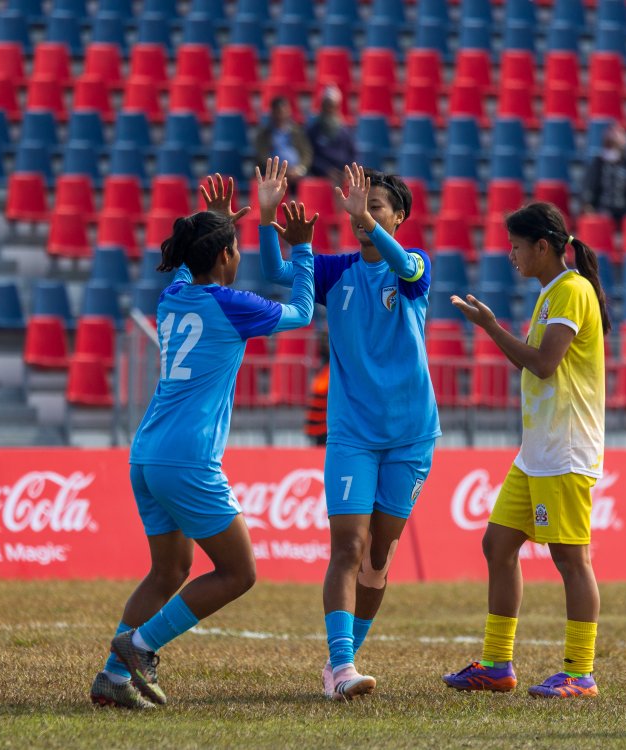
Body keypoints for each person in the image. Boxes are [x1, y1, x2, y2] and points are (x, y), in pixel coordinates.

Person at [90, 161, 318, 710]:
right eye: (234, 249)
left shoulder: (174, 296)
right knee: (240, 572)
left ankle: (111, 680)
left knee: (169, 569)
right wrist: (303, 248)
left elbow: (194, 266)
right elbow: (304, 311)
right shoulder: (231, 305)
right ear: (223, 258)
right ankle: (138, 648)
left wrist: (218, 222)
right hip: (188, 459)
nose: (239, 257)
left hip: (146, 453)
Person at [260, 163, 440, 701]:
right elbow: (276, 273)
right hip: (352, 435)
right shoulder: (336, 271)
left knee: (379, 557)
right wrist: (269, 216)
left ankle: (344, 659)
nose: (364, 215)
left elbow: (407, 268)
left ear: (398, 216)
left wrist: (367, 222)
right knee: (348, 547)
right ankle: (341, 668)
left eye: (377, 207)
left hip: (411, 435)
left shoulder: (414, 267)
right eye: (360, 207)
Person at [441, 202, 611, 700]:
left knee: (570, 558)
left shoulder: (571, 291)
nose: (510, 255)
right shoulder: (551, 294)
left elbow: (542, 364)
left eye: (516, 246)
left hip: (566, 450)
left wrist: (491, 328)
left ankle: (580, 673)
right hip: (537, 451)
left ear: (543, 246)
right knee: (497, 545)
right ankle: (497, 664)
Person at [580, 122, 626, 229]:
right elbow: (589, 188)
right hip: (602, 210)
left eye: (614, 146)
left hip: (625, 211)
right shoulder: (598, 162)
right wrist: (588, 205)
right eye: (609, 146)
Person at [254, 96, 312, 183]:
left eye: (285, 111)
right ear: (272, 112)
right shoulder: (264, 134)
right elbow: (263, 156)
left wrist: (300, 169)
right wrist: (282, 171)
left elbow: (307, 153)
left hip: (298, 174)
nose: (282, 115)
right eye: (279, 112)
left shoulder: (297, 132)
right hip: (274, 175)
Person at [306, 86, 356, 185]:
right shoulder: (313, 130)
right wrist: (326, 171)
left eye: (332, 106)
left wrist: (348, 171)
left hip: (343, 174)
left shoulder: (345, 131)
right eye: (326, 105)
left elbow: (353, 154)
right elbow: (310, 157)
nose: (329, 109)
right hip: (320, 175)